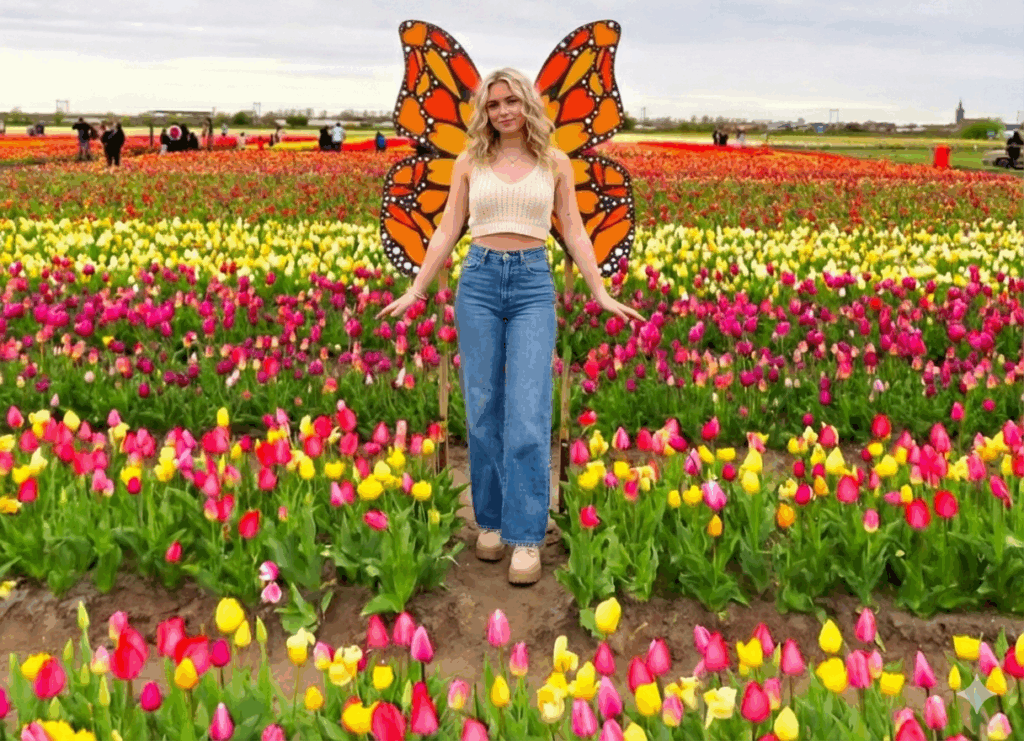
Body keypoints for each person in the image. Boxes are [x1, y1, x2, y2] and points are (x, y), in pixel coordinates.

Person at [375, 68, 646, 585]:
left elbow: (575, 231)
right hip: (478, 281)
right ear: (484, 111)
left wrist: (601, 291)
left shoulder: (555, 163)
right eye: (494, 104)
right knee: (482, 410)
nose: (503, 111)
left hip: (531, 285)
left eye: (512, 101)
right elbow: (448, 229)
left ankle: (525, 536)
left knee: (527, 411)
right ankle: (493, 522)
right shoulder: (469, 162)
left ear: (528, 105)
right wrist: (416, 288)